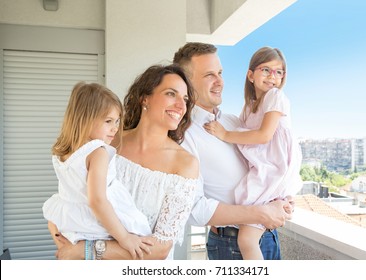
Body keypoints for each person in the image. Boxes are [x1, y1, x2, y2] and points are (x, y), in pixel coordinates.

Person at [49, 64, 200, 260]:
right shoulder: (106, 144)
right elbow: (70, 197)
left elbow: (160, 249)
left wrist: (84, 250)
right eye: (171, 94)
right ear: (144, 98)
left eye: (185, 99)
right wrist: (62, 239)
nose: (181, 106)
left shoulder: (185, 164)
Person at [173, 42, 294, 260]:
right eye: (209, 75)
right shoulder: (184, 136)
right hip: (232, 245)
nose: (220, 81)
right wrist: (262, 212)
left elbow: (266, 161)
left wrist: (279, 197)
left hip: (267, 235)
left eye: (220, 72)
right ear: (187, 83)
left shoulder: (233, 122)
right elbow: (193, 209)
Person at [203, 47, 303, 259]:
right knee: (247, 230)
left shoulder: (275, 97)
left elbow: (263, 136)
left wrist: (225, 134)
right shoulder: (250, 106)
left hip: (273, 169)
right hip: (264, 169)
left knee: (246, 239)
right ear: (250, 75)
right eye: (266, 70)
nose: (272, 77)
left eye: (279, 72)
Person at [43, 82, 153, 259]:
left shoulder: (63, 152)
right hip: (97, 225)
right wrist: (124, 238)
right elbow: (97, 200)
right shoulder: (97, 152)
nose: (115, 128)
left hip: (75, 225)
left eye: (117, 121)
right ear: (85, 119)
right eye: (108, 121)